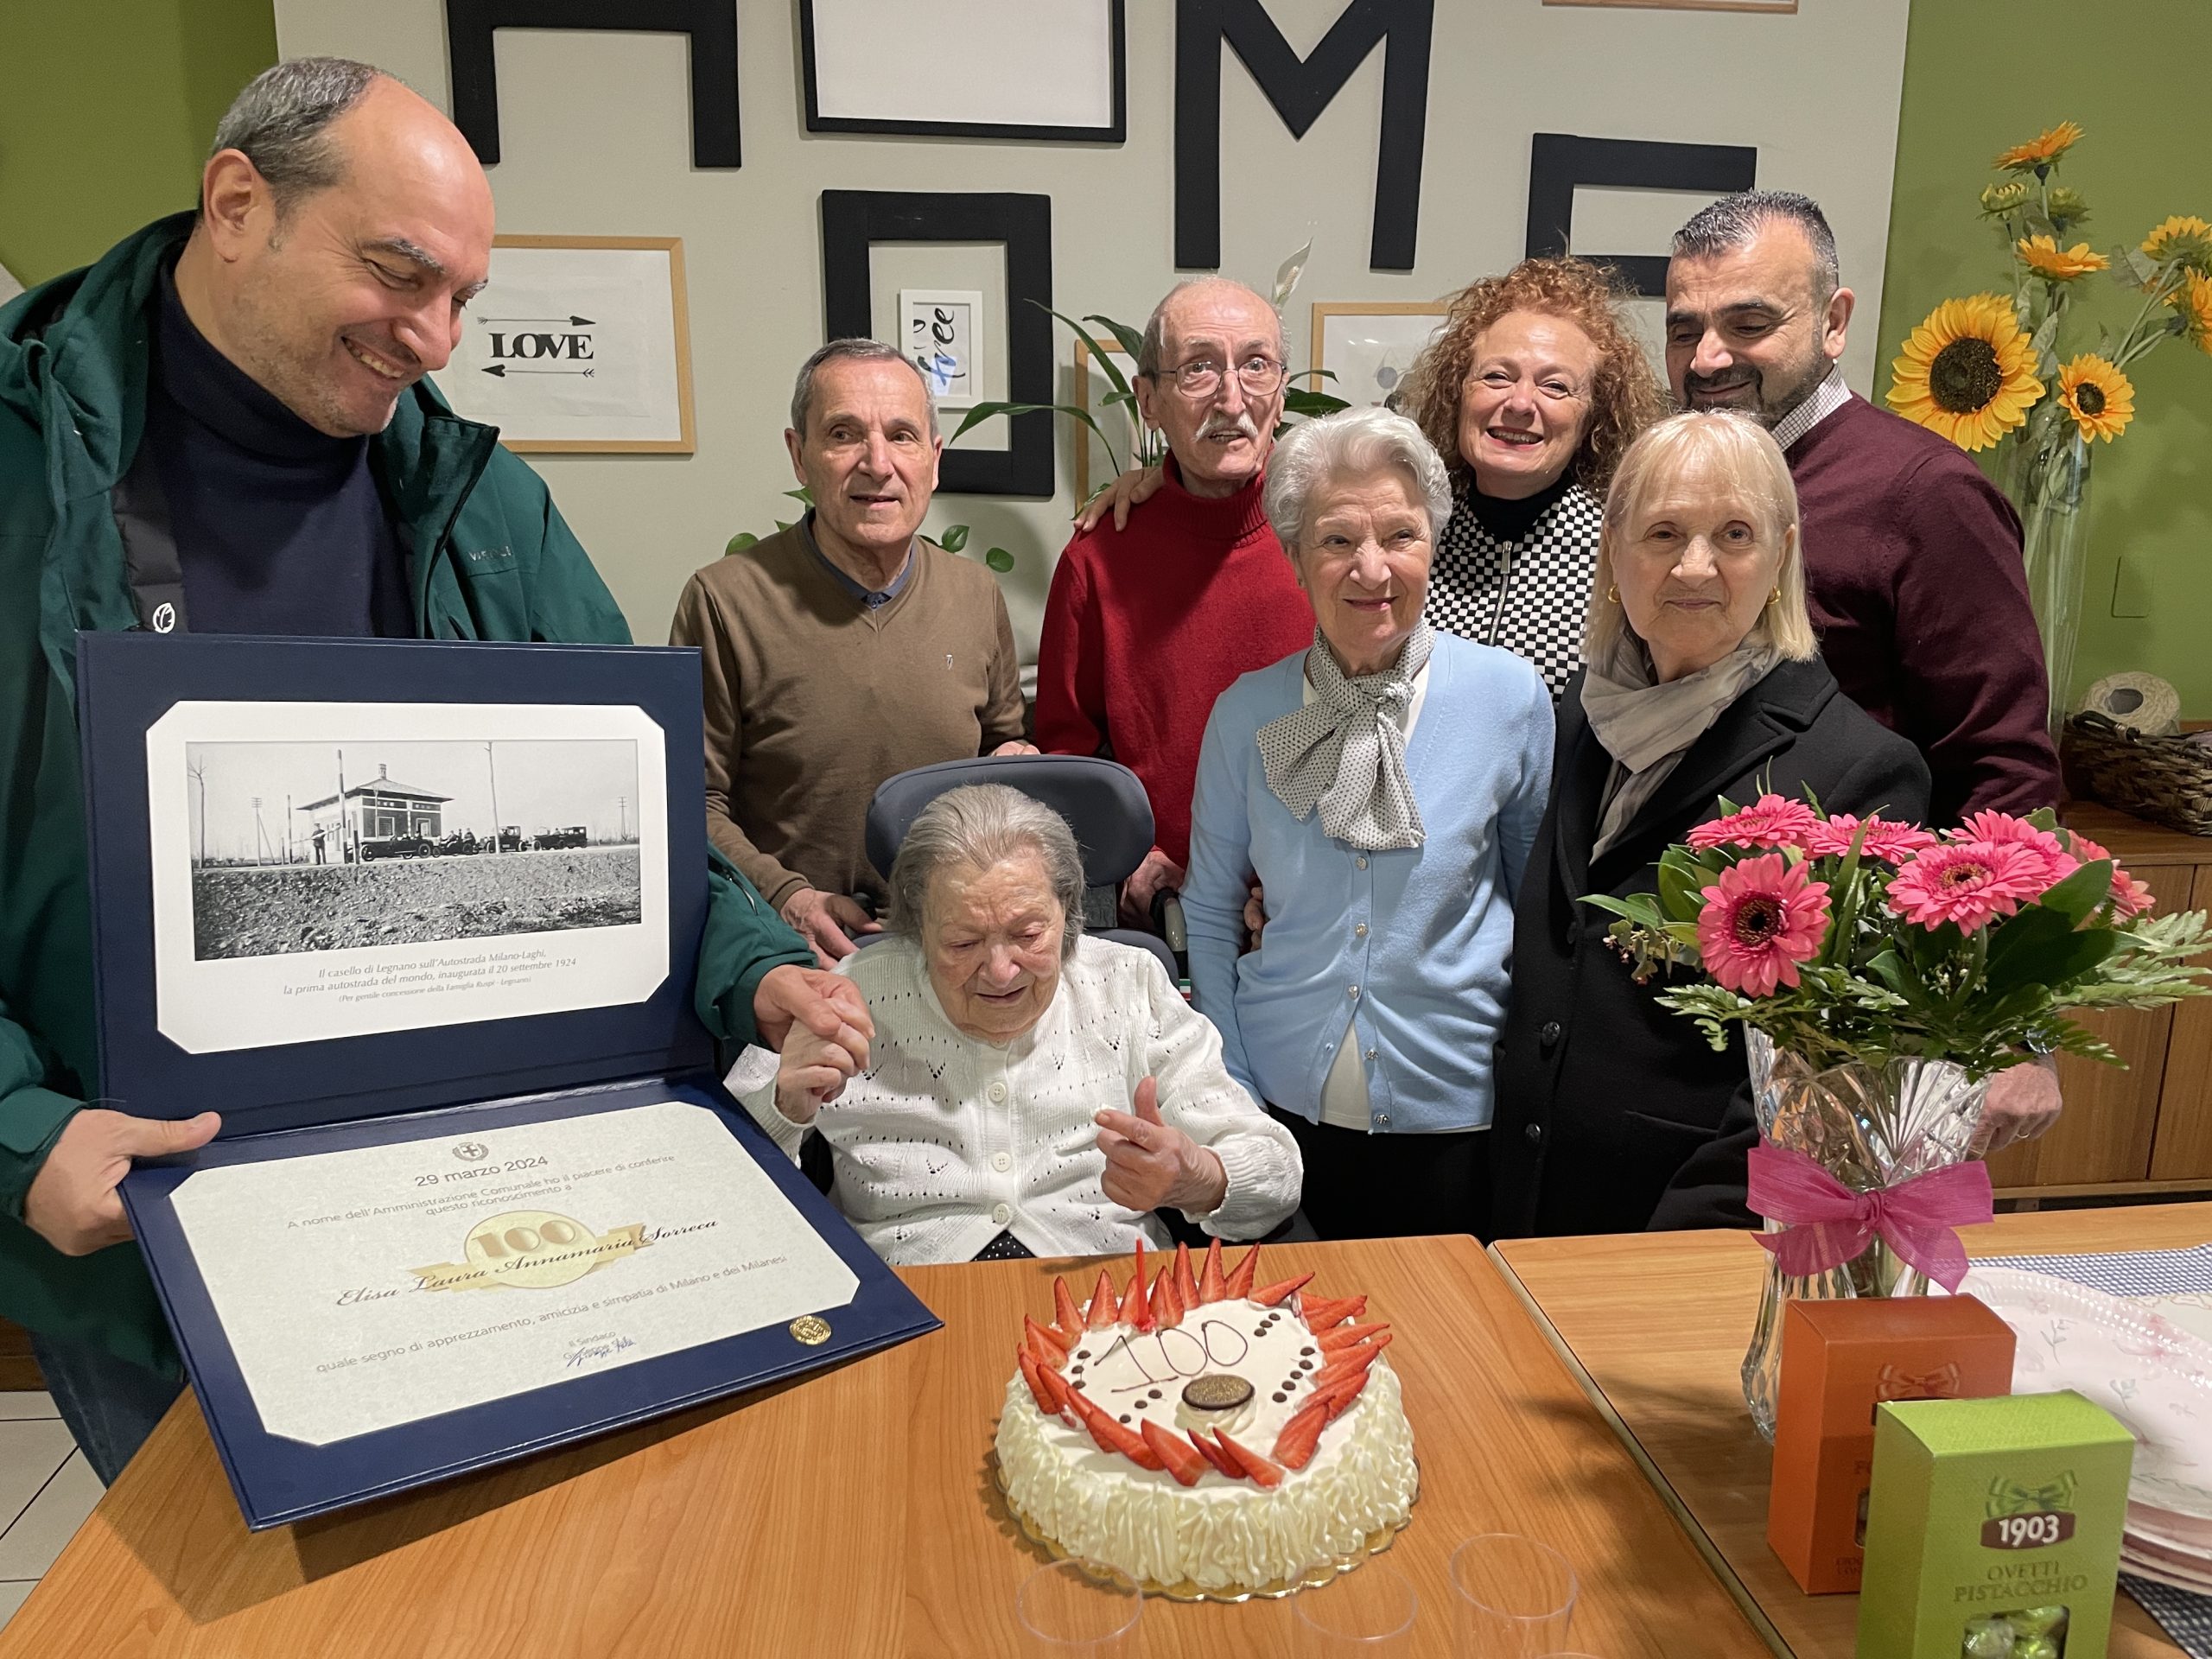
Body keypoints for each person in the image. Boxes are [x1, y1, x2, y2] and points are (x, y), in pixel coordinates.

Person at [0, 59, 862, 1484]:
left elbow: (633, 816)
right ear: (237, 205)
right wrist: (24, 1138)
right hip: (150, 1253)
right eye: (400, 275)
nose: (434, 337)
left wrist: (749, 965)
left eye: (463, 296)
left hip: (478, 1229)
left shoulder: (483, 503)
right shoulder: (25, 476)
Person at [1665, 189, 2066, 1149]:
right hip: (1686, 982)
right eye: (1685, 328)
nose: (1709, 357)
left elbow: (2003, 764)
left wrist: (2017, 1025)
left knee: (1832, 1279)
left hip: (1856, 1001)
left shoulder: (1924, 498)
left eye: (1749, 323)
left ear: (1834, 322)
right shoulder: (1675, 478)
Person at [1489, 411, 1932, 1238]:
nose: (1695, 566)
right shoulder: (1580, 717)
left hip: (1686, 1222)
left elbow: (1826, 1069)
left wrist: (1690, 1248)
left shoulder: (1861, 774)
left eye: (1734, 533)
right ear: (1615, 553)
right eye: (1663, 532)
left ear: (1782, 555)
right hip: (1530, 1194)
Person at [1180, 408, 1553, 1242]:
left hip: (1463, 1117)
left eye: (1400, 535)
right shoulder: (1246, 714)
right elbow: (1208, 912)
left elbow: (1538, 908)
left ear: (1434, 544)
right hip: (1279, 1116)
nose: (1371, 568)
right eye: (1338, 539)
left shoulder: (1510, 700)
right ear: (1295, 556)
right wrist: (1231, 1084)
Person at [754, 785, 1303, 1263]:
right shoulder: (854, 992)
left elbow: (1278, 1176)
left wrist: (1198, 1176)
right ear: (916, 929)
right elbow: (720, 1187)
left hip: (1106, 1299)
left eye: (1027, 934)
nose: (1000, 970)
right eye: (963, 942)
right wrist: (782, 1111)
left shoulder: (1128, 983)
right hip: (909, 1295)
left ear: (1069, 911)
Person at [671, 340, 1035, 968]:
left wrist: (1019, 764)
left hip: (954, 951)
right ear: (799, 455)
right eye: (844, 434)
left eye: (902, 436)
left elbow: (1001, 751)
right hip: (791, 952)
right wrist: (787, 898)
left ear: (935, 459)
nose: (877, 463)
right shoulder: (724, 601)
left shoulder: (975, 594)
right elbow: (690, 800)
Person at [1034, 279, 1314, 928]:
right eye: (1198, 369)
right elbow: (1067, 759)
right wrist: (1126, 855)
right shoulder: (1099, 556)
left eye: (1255, 364)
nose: (1231, 397)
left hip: (1319, 904)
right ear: (1149, 401)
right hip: (1165, 913)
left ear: (1282, 391)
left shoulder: (1335, 533)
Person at [1395, 257, 1668, 696]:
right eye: (1497, 377)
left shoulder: (1624, 558)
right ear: (1457, 392)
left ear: (1594, 417)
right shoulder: (1408, 542)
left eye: (1555, 386)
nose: (1521, 403)